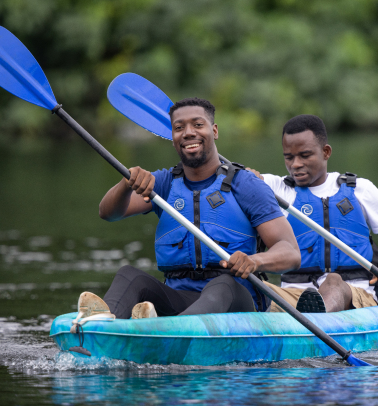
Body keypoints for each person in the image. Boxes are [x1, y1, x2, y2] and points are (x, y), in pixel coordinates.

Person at [73, 98, 300, 326]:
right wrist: (126, 183)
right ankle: (99, 330)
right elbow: (108, 212)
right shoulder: (163, 184)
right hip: (183, 300)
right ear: (173, 139)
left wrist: (255, 261)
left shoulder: (246, 185)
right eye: (179, 128)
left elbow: (290, 252)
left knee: (223, 285)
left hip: (237, 300)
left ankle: (168, 333)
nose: (188, 133)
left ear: (214, 131)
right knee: (129, 275)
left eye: (198, 125)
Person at [247, 115, 378, 313]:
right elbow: (233, 179)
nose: (295, 164)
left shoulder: (361, 190)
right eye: (289, 157)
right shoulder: (275, 189)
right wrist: (247, 177)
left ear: (326, 152)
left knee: (333, 281)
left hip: (354, 295)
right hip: (292, 296)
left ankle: (318, 319)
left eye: (304, 155)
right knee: (244, 284)